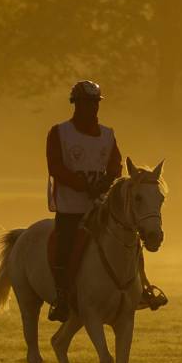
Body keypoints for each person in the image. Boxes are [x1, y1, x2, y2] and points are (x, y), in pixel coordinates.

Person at [46, 80, 121, 322]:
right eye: (86, 103)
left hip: (100, 205)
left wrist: (107, 181)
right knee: (65, 246)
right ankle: (61, 296)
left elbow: (115, 163)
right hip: (71, 206)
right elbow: (56, 167)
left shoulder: (108, 134)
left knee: (127, 238)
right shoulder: (59, 133)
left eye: (95, 103)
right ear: (75, 104)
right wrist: (84, 186)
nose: (92, 108)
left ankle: (140, 287)